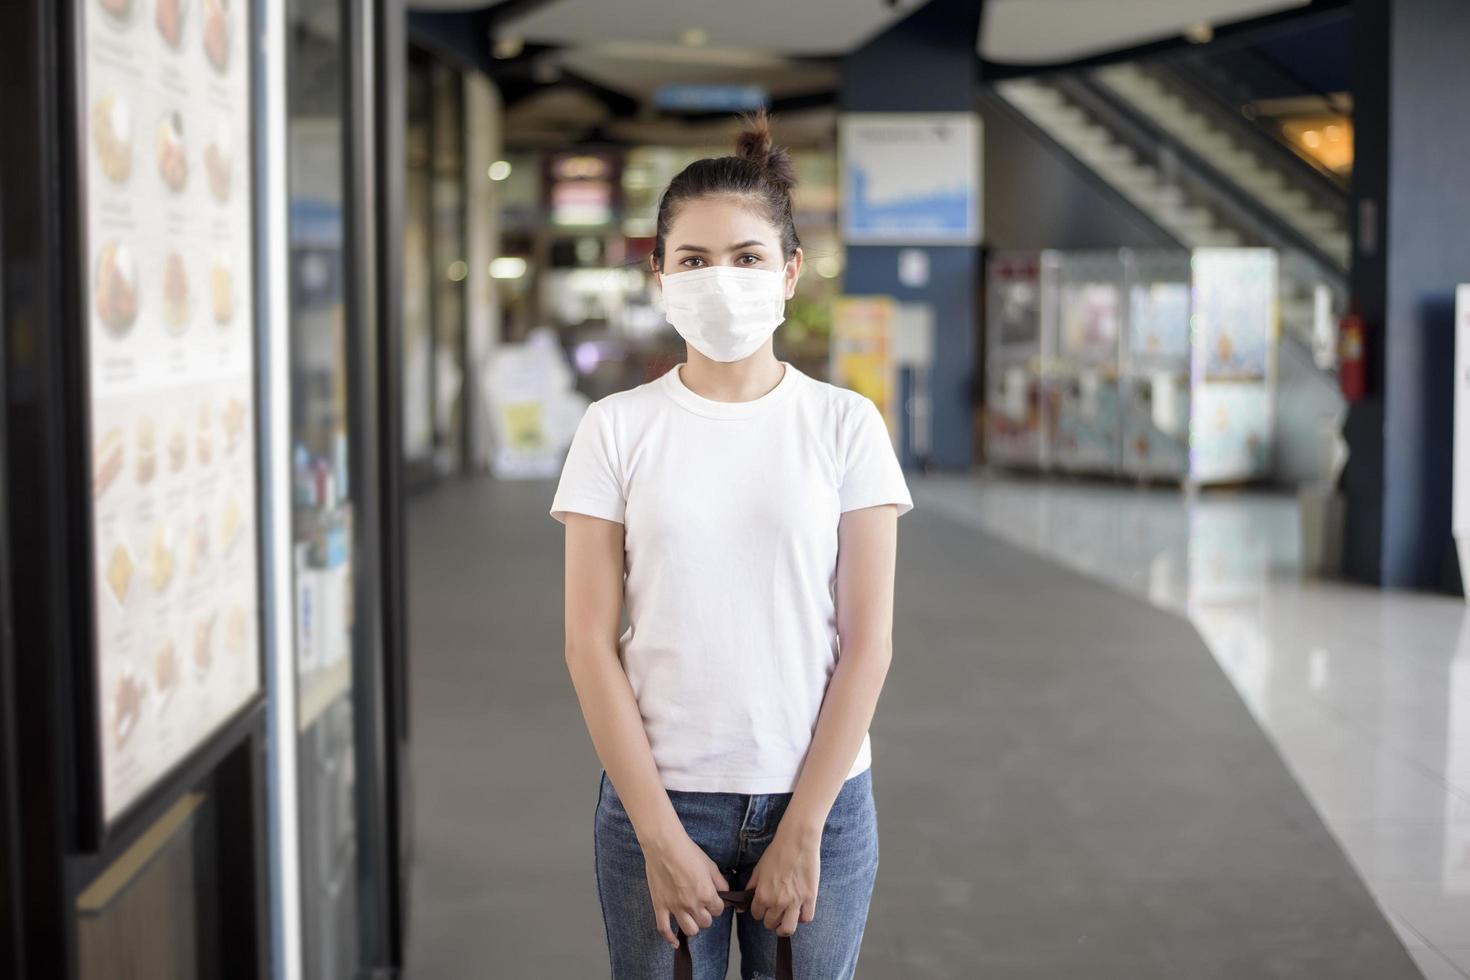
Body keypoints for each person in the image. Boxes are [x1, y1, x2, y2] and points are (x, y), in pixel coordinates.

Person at [550, 108, 913, 980]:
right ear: (659, 276)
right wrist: (659, 837)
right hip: (660, 799)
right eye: (694, 261)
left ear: (790, 274)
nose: (722, 281)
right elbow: (588, 645)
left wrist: (804, 828)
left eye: (748, 258)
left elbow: (868, 645)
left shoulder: (845, 425)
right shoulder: (616, 429)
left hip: (821, 796)